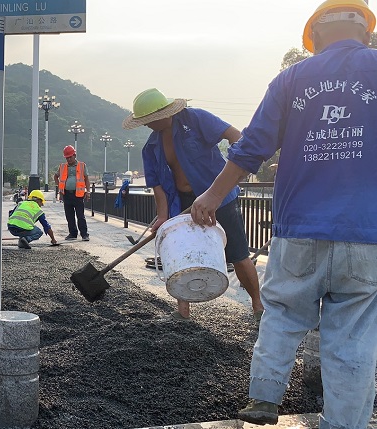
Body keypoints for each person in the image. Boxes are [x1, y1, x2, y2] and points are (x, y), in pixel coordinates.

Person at [190, 1, 377, 426]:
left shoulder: (291, 78)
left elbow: (252, 146)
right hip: (366, 232)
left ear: (316, 37)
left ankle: (265, 398)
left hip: (299, 229)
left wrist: (212, 197)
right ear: (365, 32)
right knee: (353, 337)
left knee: (283, 311)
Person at [122, 88, 264, 324]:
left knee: (238, 254)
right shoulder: (150, 147)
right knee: (180, 254)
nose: (146, 126)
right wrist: (162, 217)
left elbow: (236, 136)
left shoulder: (195, 119)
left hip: (218, 196)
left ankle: (258, 307)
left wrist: (236, 171)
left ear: (163, 113)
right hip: (182, 202)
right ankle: (183, 312)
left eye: (148, 120)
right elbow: (157, 185)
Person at [53, 145, 90, 241]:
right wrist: (60, 188)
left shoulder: (82, 165)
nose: (69, 159)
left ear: (74, 155)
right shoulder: (62, 166)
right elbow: (55, 176)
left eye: (70, 157)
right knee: (69, 215)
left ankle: (84, 234)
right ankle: (72, 234)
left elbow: (86, 179)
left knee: (80, 216)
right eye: (67, 157)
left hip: (78, 194)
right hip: (66, 194)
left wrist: (88, 191)